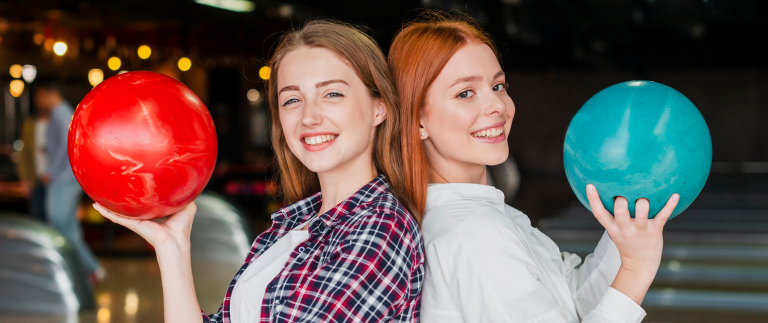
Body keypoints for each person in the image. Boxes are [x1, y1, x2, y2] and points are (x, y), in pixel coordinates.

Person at [94, 20, 424, 323]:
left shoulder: (380, 227)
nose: (309, 117)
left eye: (332, 94)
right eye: (292, 100)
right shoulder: (292, 226)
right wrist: (172, 247)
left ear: (379, 108)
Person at [389, 13, 679, 323]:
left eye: (498, 86)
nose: (498, 105)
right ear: (417, 120)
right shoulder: (475, 234)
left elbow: (573, 301)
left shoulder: (482, 216)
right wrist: (636, 270)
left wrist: (628, 235)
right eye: (465, 93)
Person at [33, 80, 105, 283]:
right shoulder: (62, 113)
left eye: (40, 96)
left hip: (63, 179)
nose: (38, 101)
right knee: (69, 228)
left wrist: (50, 171)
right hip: (67, 178)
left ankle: (91, 267)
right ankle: (81, 270)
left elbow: (65, 146)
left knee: (58, 225)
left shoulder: (60, 114)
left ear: (50, 93)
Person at [16, 103, 50, 223]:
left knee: (55, 219)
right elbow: (24, 154)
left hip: (54, 180)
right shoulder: (30, 125)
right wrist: (24, 179)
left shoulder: (58, 124)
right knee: (37, 217)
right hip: (35, 178)